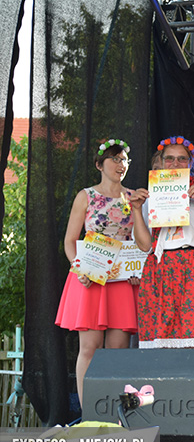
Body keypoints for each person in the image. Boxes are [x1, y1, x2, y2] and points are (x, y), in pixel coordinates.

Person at [56, 139, 138, 406]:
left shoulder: (133, 198)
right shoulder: (86, 196)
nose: (120, 164)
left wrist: (137, 268)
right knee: (89, 349)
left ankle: (116, 411)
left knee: (118, 352)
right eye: (115, 159)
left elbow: (140, 242)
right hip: (90, 278)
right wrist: (78, 267)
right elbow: (70, 240)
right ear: (99, 165)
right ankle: (89, 411)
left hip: (121, 281)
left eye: (124, 160)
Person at [130, 137, 194, 349]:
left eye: (182, 159)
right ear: (162, 161)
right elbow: (145, 245)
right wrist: (137, 210)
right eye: (170, 159)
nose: (175, 164)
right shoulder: (150, 196)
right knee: (163, 344)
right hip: (162, 269)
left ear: (191, 163)